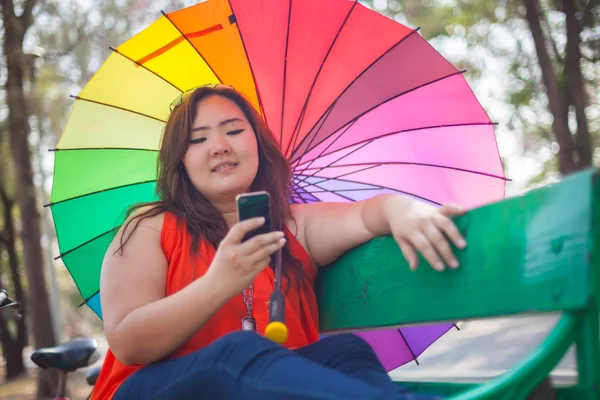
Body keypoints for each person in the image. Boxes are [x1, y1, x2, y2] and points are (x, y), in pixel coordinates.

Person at [91, 84, 466, 400]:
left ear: (258, 144)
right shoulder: (150, 228)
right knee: (237, 352)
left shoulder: (291, 227)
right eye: (198, 139)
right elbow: (128, 342)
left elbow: (366, 216)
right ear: (181, 162)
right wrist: (219, 282)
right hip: (148, 391)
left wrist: (399, 209)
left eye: (234, 130)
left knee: (344, 351)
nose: (219, 146)